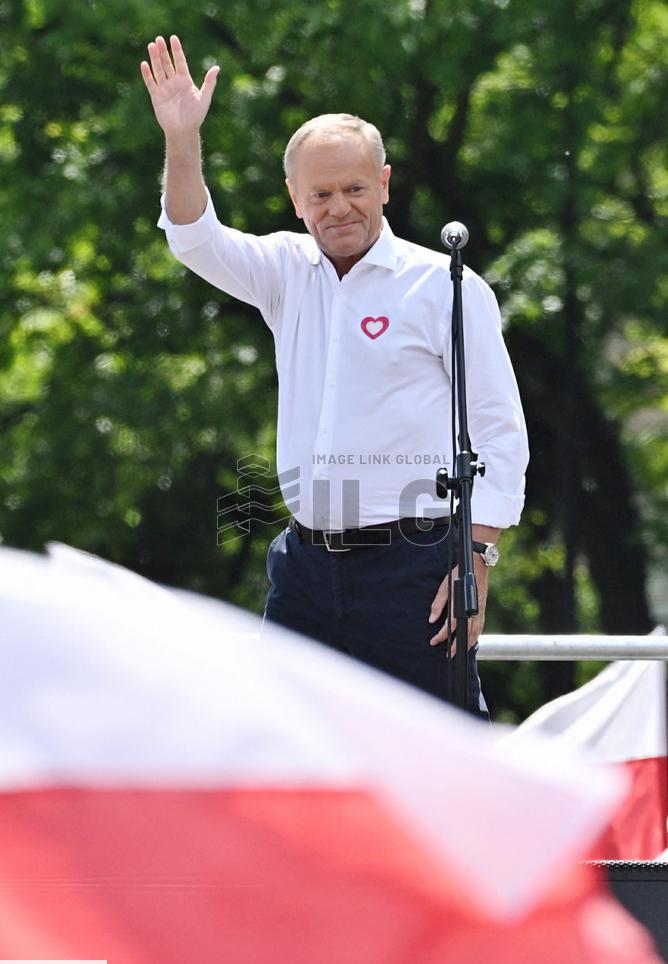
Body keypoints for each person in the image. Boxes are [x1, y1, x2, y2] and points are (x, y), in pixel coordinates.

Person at [140, 34, 529, 717]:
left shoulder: (444, 285)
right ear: (295, 197)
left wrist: (476, 557)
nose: (339, 207)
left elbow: (500, 432)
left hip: (417, 567)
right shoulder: (284, 270)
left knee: (433, 765)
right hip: (306, 571)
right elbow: (193, 236)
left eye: (354, 188)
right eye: (320, 193)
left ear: (383, 184)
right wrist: (181, 138)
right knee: (289, 766)